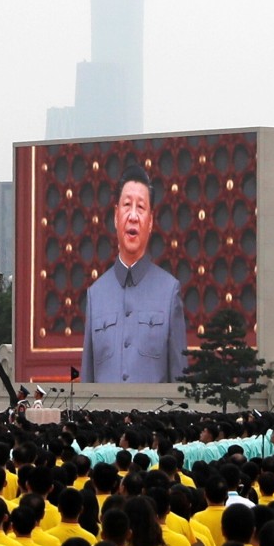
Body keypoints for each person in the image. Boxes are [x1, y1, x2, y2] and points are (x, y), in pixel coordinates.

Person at [80, 164, 187, 384]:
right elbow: (87, 381)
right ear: (116, 215)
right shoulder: (95, 295)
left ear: (150, 222)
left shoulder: (169, 292)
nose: (133, 216)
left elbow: (180, 384)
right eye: (127, 205)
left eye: (141, 207)